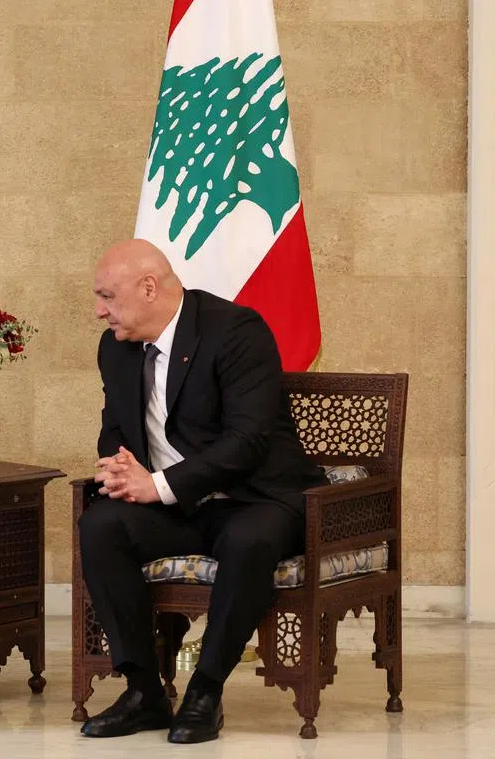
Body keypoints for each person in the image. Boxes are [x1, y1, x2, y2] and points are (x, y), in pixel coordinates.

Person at [78, 239, 326, 743]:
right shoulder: (116, 347)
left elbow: (248, 441)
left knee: (247, 540)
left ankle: (205, 691)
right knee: (101, 525)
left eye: (107, 296)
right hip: (180, 507)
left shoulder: (235, 331)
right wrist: (123, 468)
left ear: (148, 288)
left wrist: (159, 486)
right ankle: (144, 691)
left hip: (255, 496)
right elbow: (115, 427)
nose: (98, 310)